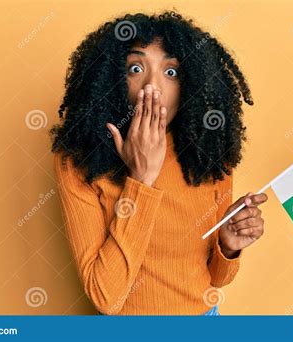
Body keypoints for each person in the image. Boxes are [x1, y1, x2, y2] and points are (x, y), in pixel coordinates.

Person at [51, 10, 268, 315]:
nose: (152, 87)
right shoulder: (77, 159)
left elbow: (216, 280)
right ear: (111, 78)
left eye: (171, 72)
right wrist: (141, 180)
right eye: (136, 68)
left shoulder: (206, 151)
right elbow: (105, 297)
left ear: (191, 82)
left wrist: (228, 245)